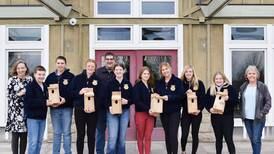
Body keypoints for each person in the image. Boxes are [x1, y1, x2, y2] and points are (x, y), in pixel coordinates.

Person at [45, 56, 75, 154]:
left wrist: (65, 99)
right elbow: (46, 92)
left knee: (66, 132)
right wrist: (50, 102)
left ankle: (67, 152)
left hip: (67, 108)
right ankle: (55, 152)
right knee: (57, 132)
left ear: (65, 64)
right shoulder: (50, 77)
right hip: (54, 109)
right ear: (55, 64)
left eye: (62, 63)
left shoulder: (70, 76)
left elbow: (73, 92)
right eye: (58, 63)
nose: (60, 65)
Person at [239, 65, 271, 154]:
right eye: (249, 73)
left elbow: (268, 102)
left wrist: (262, 113)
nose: (251, 75)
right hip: (247, 118)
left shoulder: (262, 87)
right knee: (252, 139)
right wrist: (241, 113)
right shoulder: (243, 87)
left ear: (257, 75)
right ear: (246, 75)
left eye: (253, 73)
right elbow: (240, 102)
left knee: (256, 139)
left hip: (258, 117)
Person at [70, 59, 100, 154]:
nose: (90, 68)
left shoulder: (98, 80)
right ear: (86, 67)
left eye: (92, 66)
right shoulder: (77, 78)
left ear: (95, 68)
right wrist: (80, 92)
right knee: (80, 134)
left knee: (91, 135)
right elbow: (70, 93)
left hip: (93, 111)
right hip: (80, 110)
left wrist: (95, 107)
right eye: (89, 66)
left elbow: (101, 96)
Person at [205, 72, 237, 154]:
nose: (218, 80)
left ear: (224, 79)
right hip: (215, 118)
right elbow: (206, 102)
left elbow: (236, 102)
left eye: (220, 78)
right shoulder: (211, 89)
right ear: (214, 80)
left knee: (228, 139)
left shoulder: (230, 88)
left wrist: (228, 98)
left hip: (227, 117)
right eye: (216, 79)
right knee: (218, 139)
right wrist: (209, 109)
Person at [155, 62, 183, 154]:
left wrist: (169, 97)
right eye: (163, 70)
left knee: (173, 134)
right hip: (164, 112)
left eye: (166, 69)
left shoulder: (178, 81)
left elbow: (181, 96)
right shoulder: (159, 82)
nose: (165, 71)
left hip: (174, 112)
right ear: (161, 72)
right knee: (167, 134)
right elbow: (157, 94)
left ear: (170, 69)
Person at [5, 60, 32, 154]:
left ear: (26, 69)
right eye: (19, 68)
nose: (21, 70)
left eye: (23, 68)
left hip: (26, 111)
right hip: (15, 112)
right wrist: (19, 94)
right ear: (16, 69)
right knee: (15, 135)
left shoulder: (30, 80)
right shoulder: (12, 80)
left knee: (24, 135)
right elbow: (8, 95)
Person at [105, 63, 133, 154]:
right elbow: (104, 98)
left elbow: (133, 98)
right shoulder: (109, 83)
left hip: (124, 112)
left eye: (120, 69)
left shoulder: (128, 83)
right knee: (113, 137)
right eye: (116, 70)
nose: (118, 71)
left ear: (124, 71)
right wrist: (109, 107)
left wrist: (127, 101)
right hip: (112, 112)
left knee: (122, 138)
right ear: (114, 71)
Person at [180, 65, 205, 154]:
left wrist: (199, 109)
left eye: (190, 71)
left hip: (196, 113)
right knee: (184, 135)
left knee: (195, 134)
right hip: (186, 113)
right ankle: (183, 151)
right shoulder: (181, 84)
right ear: (184, 73)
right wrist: (185, 93)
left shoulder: (199, 83)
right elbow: (178, 98)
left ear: (193, 73)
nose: (188, 73)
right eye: (186, 72)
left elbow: (203, 99)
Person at [24, 65, 48, 154]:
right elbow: (28, 103)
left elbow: (49, 98)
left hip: (42, 118)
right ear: (34, 74)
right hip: (33, 119)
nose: (41, 76)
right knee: (33, 143)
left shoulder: (45, 86)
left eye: (43, 74)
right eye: (39, 74)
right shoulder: (30, 86)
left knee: (39, 142)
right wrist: (45, 102)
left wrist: (57, 99)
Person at [95, 52, 115, 154]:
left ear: (114, 60)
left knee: (113, 134)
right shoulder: (98, 72)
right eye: (107, 59)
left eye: (111, 59)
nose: (109, 61)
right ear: (104, 60)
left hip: (114, 107)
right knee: (100, 132)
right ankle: (99, 152)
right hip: (101, 108)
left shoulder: (117, 72)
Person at [133, 66, 156, 154]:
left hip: (151, 115)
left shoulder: (151, 86)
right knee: (140, 136)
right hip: (140, 114)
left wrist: (155, 109)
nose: (146, 75)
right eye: (144, 74)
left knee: (148, 136)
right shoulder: (137, 86)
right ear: (141, 75)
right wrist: (148, 109)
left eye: (148, 74)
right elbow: (136, 101)